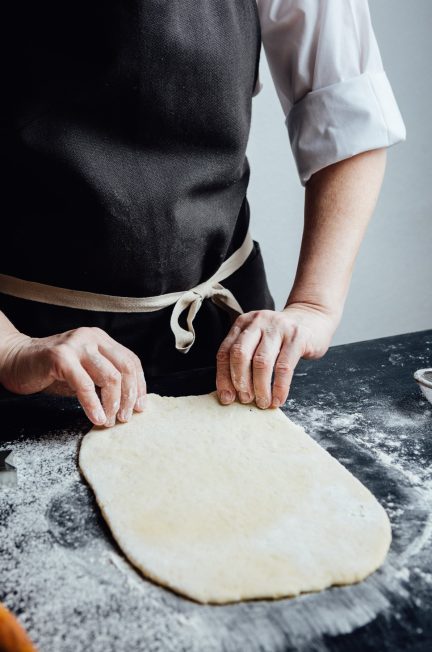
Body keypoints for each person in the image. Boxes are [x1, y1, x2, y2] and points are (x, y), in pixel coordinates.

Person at [0, 0, 405, 427]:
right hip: (35, 353)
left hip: (231, 343)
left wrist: (312, 306)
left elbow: (346, 109)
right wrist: (11, 350)